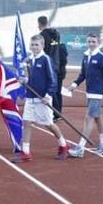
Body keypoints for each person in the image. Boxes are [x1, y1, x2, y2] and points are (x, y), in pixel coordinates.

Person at [11, 34, 68, 162]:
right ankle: (25, 151)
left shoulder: (46, 59)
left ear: (42, 45)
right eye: (32, 44)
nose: (34, 47)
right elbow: (31, 79)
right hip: (30, 97)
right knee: (26, 122)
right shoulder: (30, 60)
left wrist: (48, 95)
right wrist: (24, 80)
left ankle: (63, 145)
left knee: (48, 124)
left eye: (37, 44)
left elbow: (53, 79)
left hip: (42, 98)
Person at [67, 33, 103, 157]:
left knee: (89, 118)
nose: (91, 44)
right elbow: (83, 74)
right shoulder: (85, 56)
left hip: (97, 94)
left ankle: (80, 148)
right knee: (97, 117)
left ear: (98, 43)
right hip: (89, 92)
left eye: (93, 41)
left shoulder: (102, 57)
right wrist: (74, 84)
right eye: (89, 41)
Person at [38, 16, 68, 118]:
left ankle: (53, 113)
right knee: (57, 90)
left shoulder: (42, 36)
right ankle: (57, 113)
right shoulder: (56, 34)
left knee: (50, 90)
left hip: (49, 66)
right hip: (58, 66)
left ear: (39, 24)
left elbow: (42, 51)